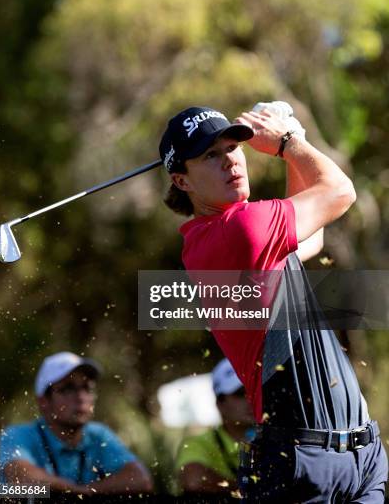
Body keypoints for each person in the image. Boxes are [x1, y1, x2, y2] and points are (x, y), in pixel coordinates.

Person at [159, 105, 388, 502]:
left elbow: (308, 237)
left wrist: (293, 141)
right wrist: (287, 142)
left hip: (360, 460)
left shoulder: (228, 236)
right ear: (181, 180)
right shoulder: (238, 231)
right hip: (301, 469)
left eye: (233, 147)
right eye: (210, 155)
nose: (230, 160)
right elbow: (340, 192)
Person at [0, 352, 153, 496]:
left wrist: (82, 491)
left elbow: (140, 480)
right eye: (68, 389)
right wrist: (79, 492)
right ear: (43, 401)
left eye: (87, 388)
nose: (81, 397)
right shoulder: (17, 435)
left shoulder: (99, 435)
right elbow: (22, 479)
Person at [176, 358, 255, 494]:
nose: (250, 400)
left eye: (254, 391)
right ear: (220, 404)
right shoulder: (197, 443)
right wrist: (251, 491)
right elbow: (194, 482)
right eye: (240, 393)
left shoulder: (275, 438)